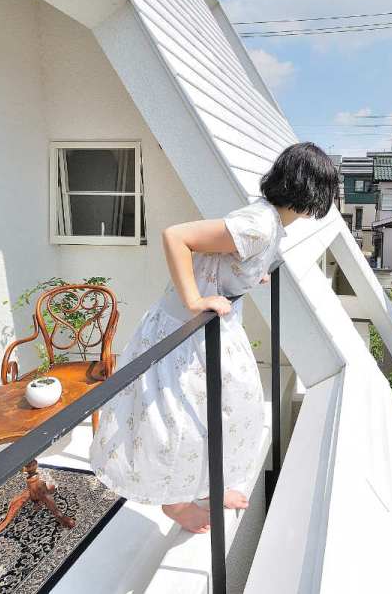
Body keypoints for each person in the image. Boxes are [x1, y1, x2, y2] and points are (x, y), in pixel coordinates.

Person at [90, 142, 338, 533]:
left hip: (208, 330)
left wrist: (250, 275)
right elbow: (176, 236)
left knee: (230, 410)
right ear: (312, 191)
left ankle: (210, 486)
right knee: (177, 421)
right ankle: (175, 503)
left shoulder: (269, 223)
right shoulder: (259, 225)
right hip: (183, 332)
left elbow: (226, 258)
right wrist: (194, 300)